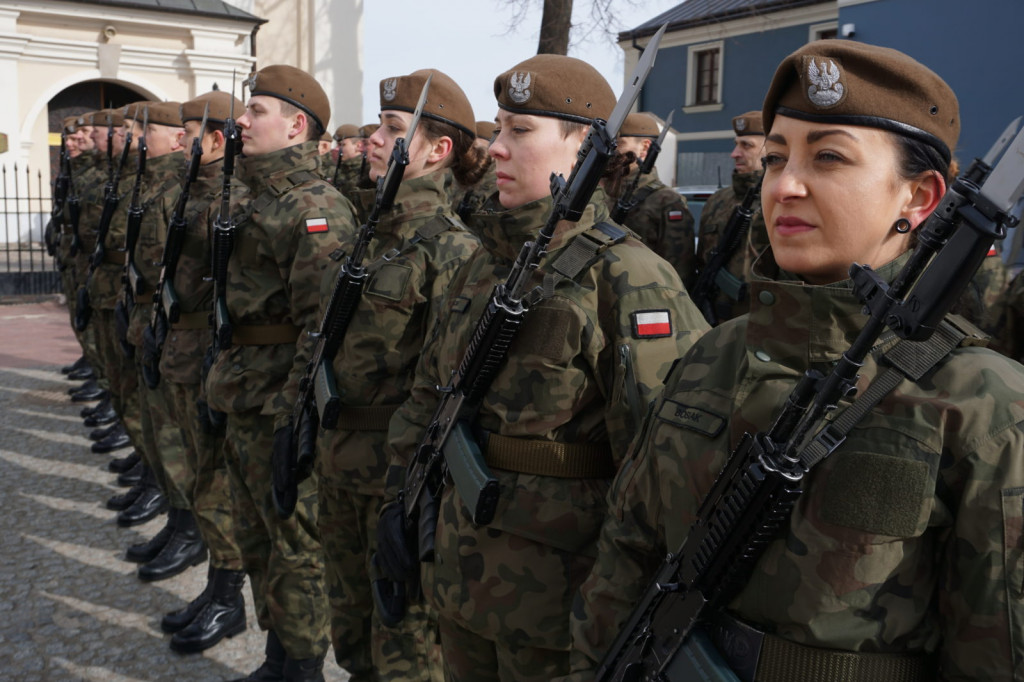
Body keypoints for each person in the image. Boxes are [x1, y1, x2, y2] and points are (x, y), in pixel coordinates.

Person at [570, 40, 1024, 681]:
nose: (785, 185)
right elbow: (626, 557)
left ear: (919, 198)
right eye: (777, 157)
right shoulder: (712, 356)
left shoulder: (986, 408)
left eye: (829, 157)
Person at [381, 54, 709, 681]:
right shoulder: (482, 266)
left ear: (584, 144)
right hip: (460, 583)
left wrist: (615, 616)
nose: (497, 148)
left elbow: (662, 475)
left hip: (560, 613)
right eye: (498, 128)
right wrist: (399, 504)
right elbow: (428, 399)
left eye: (521, 131)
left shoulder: (629, 278)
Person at [314, 67, 486, 682]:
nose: (373, 140)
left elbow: (449, 394)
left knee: (407, 650)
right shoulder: (370, 233)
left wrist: (415, 497)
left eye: (392, 129)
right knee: (353, 634)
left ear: (438, 151)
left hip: (395, 481)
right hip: (339, 462)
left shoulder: (453, 251)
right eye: (377, 127)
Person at [203, 63, 358, 682]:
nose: (241, 121)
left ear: (297, 126)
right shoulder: (250, 196)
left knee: (296, 547)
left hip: (280, 406)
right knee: (258, 536)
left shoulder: (315, 207)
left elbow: (323, 332)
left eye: (256, 111)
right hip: (245, 391)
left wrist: (295, 417)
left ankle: (301, 666)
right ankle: (278, 653)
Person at [149, 90, 249, 655]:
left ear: (214, 140)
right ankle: (216, 583)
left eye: (190, 134)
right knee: (192, 469)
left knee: (211, 480)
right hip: (184, 346)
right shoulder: (194, 191)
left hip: (214, 356)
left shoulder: (230, 200)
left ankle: (228, 592)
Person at [693, 110, 769, 324]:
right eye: (736, 144)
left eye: (747, 145)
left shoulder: (782, 201)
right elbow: (700, 264)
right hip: (713, 320)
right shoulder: (718, 201)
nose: (734, 153)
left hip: (760, 326)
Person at [606, 111, 696, 287]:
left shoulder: (667, 201)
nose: (613, 150)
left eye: (620, 143)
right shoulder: (601, 193)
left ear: (645, 147)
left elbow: (678, 272)